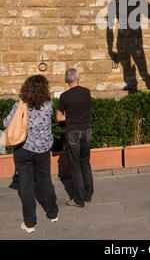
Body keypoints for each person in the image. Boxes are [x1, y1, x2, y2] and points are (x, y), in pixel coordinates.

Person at [3, 75, 58, 233]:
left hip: (23, 149)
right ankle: (52, 213)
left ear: (26, 87)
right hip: (43, 150)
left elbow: (7, 123)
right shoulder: (49, 104)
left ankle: (29, 223)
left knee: (26, 186)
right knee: (45, 181)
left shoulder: (20, 105)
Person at [56, 68, 93, 207]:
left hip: (72, 132)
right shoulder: (86, 92)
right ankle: (88, 193)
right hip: (86, 130)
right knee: (85, 162)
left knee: (75, 165)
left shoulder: (64, 96)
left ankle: (79, 199)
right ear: (78, 78)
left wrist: (68, 116)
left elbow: (59, 117)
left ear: (66, 80)